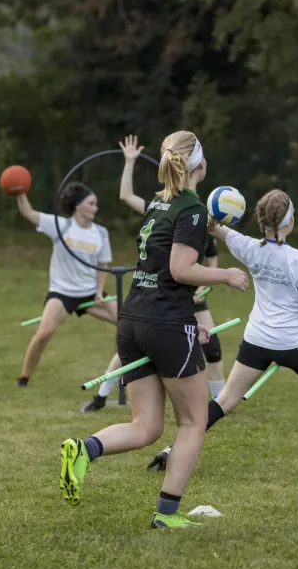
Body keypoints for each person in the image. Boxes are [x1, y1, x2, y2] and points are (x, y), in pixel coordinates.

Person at [58, 130, 249, 529]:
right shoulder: (193, 209)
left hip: (134, 320)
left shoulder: (158, 203)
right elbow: (181, 270)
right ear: (200, 165)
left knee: (147, 426)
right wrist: (225, 274)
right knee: (195, 422)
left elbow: (161, 269)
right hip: (165, 322)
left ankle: (85, 449)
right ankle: (166, 516)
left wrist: (184, 325)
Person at [147, 190, 298, 474]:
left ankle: (171, 450)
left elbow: (213, 226)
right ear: (288, 222)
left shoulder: (248, 247)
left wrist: (216, 211)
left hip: (256, 341)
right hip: (294, 343)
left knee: (223, 401)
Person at [81, 135, 228, 413]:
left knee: (213, 343)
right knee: (142, 348)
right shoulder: (176, 209)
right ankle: (102, 394)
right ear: (200, 165)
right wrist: (130, 161)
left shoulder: (200, 217)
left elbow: (211, 256)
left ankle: (220, 402)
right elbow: (126, 196)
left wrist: (207, 282)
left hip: (189, 291)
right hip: (168, 292)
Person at [12, 182, 119, 388]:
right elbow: (29, 213)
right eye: (91, 203)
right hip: (62, 293)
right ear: (79, 206)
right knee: (45, 332)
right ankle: (24, 377)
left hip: (90, 293)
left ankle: (115, 375)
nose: (96, 208)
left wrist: (98, 292)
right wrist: (20, 192)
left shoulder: (101, 233)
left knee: (126, 322)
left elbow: (103, 265)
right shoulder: (61, 226)